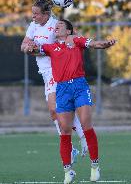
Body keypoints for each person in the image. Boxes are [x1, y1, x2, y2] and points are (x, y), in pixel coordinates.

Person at [31, 19, 116, 183]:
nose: (56, 27)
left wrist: (105, 44)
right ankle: (68, 171)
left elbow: (94, 44)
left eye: (60, 25)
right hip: (62, 89)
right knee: (64, 130)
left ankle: (95, 166)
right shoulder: (51, 47)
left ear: (69, 31)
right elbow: (34, 51)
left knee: (85, 123)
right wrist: (29, 48)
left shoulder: (76, 41)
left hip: (79, 86)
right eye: (56, 26)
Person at [21, 0, 88, 162]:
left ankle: (82, 138)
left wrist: (35, 50)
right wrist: (29, 48)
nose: (33, 17)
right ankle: (76, 143)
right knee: (54, 114)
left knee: (55, 109)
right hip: (44, 73)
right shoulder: (33, 25)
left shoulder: (56, 25)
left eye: (36, 14)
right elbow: (24, 46)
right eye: (32, 14)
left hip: (57, 72)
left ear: (46, 14)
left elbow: (62, 47)